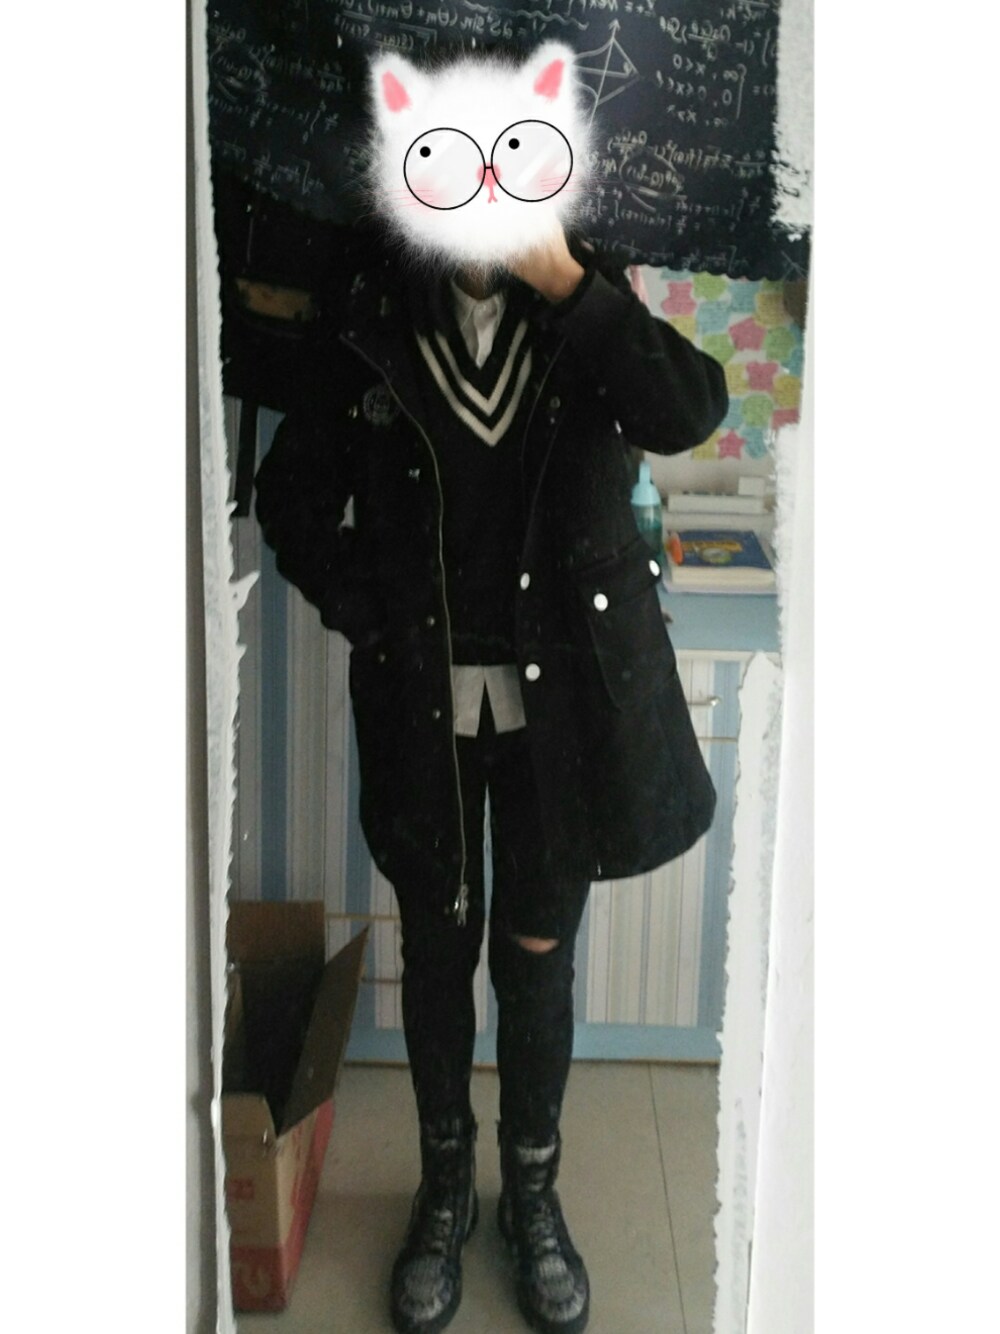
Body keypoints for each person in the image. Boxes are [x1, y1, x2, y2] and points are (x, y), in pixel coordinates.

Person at [254, 223, 728, 1334]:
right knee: (436, 946)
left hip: (564, 704)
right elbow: (292, 501)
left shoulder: (586, 298)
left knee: (537, 952)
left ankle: (531, 1191)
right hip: (420, 701)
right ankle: (443, 1190)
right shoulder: (371, 306)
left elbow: (688, 411)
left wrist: (565, 279)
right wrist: (371, 614)